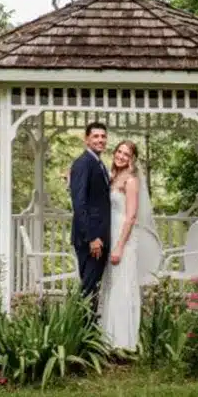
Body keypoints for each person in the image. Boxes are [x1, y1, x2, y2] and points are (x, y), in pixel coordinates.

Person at [99, 140, 163, 352]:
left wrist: (119, 246)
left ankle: (123, 342)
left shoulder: (132, 181)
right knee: (111, 285)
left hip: (123, 240)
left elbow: (131, 216)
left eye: (126, 154)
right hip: (111, 235)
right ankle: (108, 339)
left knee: (123, 286)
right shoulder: (113, 176)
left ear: (132, 158)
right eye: (119, 151)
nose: (121, 156)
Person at [68, 122, 111, 318]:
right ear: (86, 139)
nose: (100, 140)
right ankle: (81, 332)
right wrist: (93, 237)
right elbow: (79, 204)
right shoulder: (83, 163)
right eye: (96, 136)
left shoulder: (98, 163)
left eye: (103, 136)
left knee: (92, 286)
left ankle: (88, 329)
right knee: (88, 288)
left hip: (100, 238)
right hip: (90, 240)